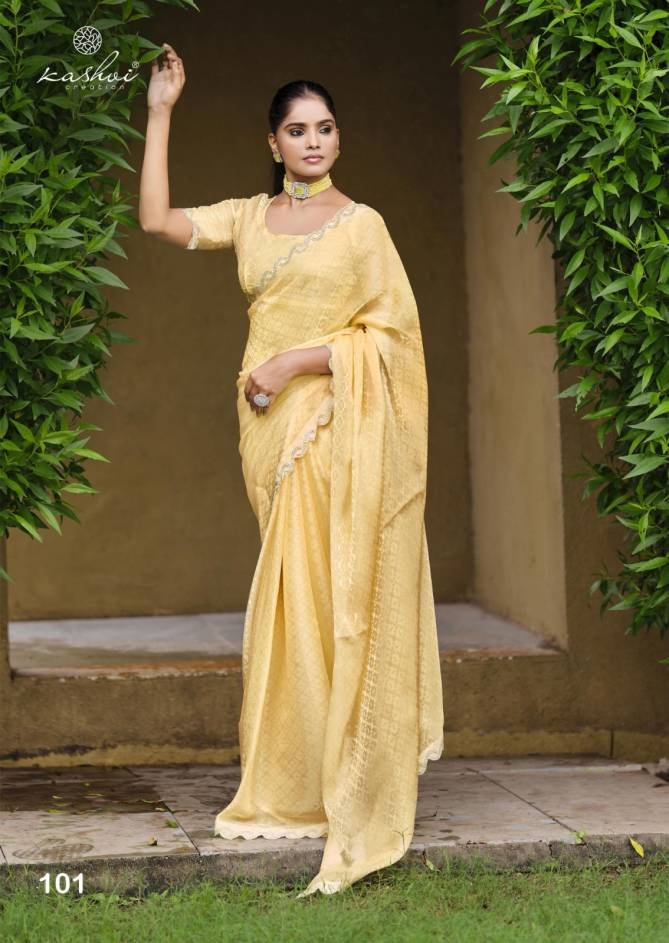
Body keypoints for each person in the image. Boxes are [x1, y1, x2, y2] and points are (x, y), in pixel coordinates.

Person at [138, 43, 444, 898]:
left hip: (332, 425)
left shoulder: (363, 226)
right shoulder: (248, 216)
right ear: (272, 143)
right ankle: (300, 774)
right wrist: (160, 112)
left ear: (338, 139)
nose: (314, 142)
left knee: (332, 596)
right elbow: (156, 221)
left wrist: (295, 361)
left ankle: (345, 776)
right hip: (267, 432)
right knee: (294, 598)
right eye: (298, 130)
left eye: (325, 128)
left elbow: (393, 339)